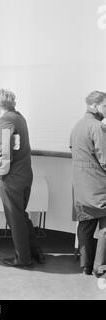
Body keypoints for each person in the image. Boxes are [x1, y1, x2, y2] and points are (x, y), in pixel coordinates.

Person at [0, 89, 44, 267]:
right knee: (21, 216)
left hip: (12, 179)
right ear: (14, 103)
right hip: (25, 175)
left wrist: (0, 171)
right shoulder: (19, 118)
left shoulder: (5, 120)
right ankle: (37, 252)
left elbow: (6, 150)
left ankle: (23, 258)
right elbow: (13, 140)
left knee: (15, 219)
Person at [70, 91, 106, 277]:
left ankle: (86, 266)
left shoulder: (77, 126)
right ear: (95, 106)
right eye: (105, 106)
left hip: (81, 185)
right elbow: (105, 159)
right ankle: (99, 267)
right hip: (98, 186)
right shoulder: (97, 127)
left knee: (85, 225)